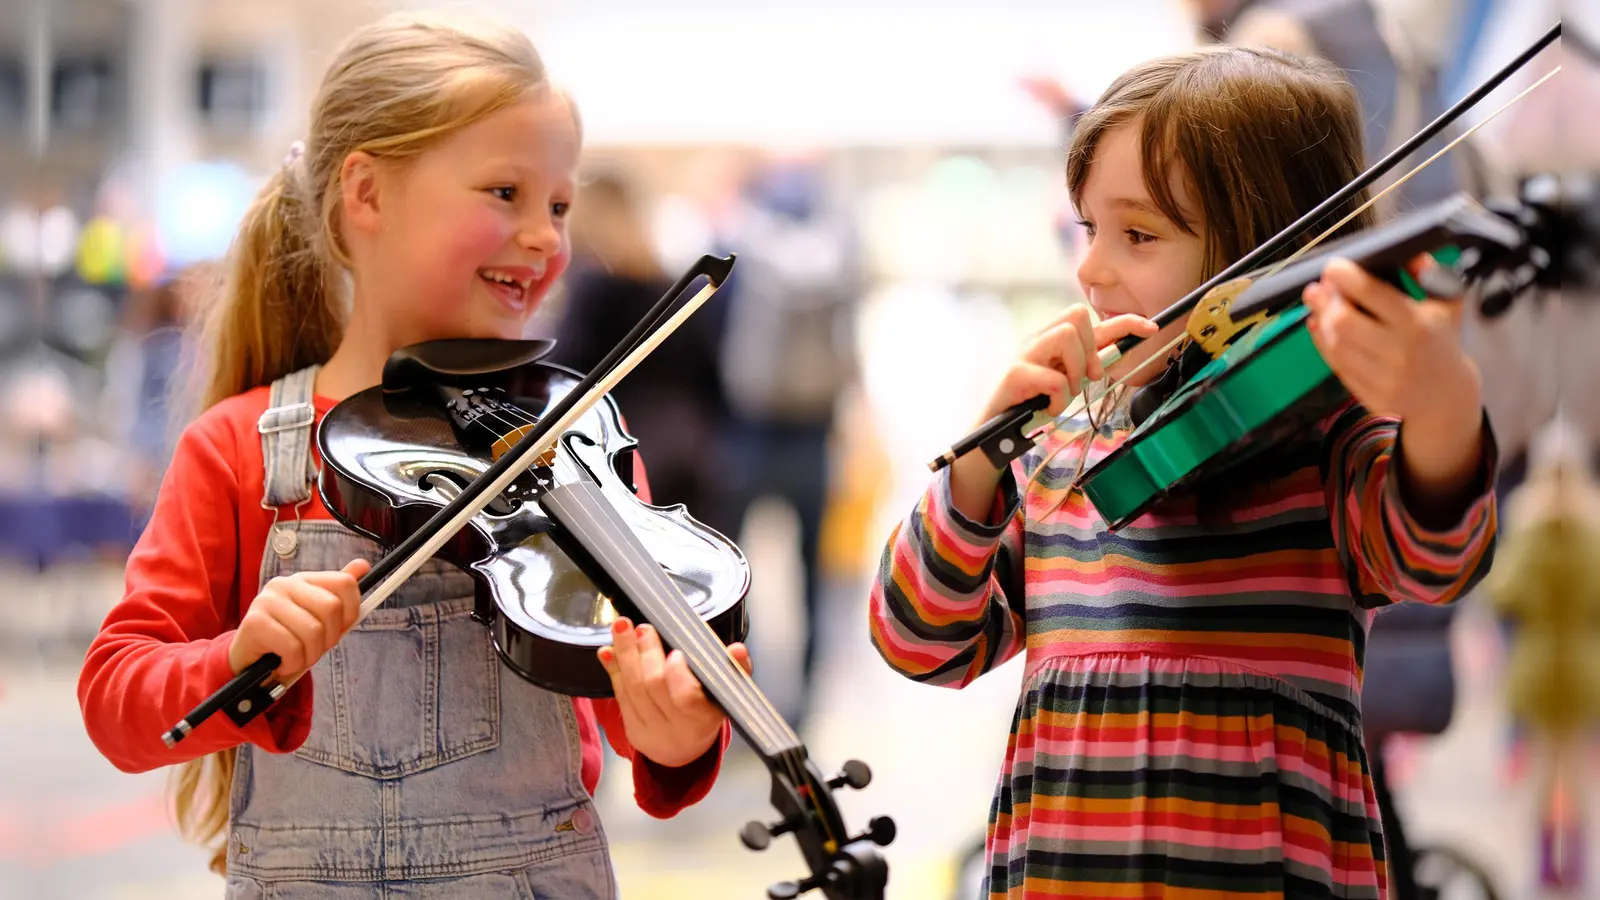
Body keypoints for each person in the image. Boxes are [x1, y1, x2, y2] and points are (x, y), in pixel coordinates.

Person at [75, 11, 749, 897]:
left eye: (559, 204)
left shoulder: (574, 442)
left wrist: (674, 732)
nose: (547, 236)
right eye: (505, 193)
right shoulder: (244, 444)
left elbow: (634, 710)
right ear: (367, 195)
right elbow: (118, 698)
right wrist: (236, 660)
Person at [869, 45, 1498, 899]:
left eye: (1138, 234)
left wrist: (1442, 406)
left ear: (1264, 250)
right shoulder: (1061, 454)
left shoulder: (1330, 450)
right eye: (1090, 228)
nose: (1090, 267)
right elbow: (918, 640)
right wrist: (982, 460)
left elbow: (1437, 555)